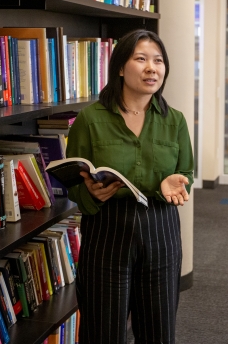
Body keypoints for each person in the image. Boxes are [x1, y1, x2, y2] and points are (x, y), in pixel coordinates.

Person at [66, 29, 194, 344]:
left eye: (159, 61)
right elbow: (71, 181)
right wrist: (89, 193)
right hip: (107, 227)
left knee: (158, 331)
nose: (152, 68)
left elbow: (185, 170)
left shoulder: (174, 120)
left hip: (160, 227)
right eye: (141, 59)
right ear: (121, 67)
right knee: (102, 331)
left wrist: (175, 181)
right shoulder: (89, 119)